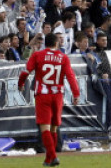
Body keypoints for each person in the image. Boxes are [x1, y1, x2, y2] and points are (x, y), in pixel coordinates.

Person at [18, 32, 81, 167]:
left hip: (43, 94)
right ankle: (48, 159)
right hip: (58, 95)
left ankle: (53, 156)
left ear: (45, 43)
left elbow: (25, 72)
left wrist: (20, 84)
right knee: (53, 127)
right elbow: (70, 76)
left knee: (44, 127)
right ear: (56, 43)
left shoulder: (37, 55)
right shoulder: (63, 57)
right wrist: (76, 94)